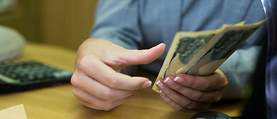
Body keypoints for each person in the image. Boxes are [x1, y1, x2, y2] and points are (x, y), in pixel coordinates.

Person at [71, 0, 266, 112]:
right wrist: (101, 58)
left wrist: (225, 71)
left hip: (239, 112)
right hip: (141, 104)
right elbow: (115, 31)